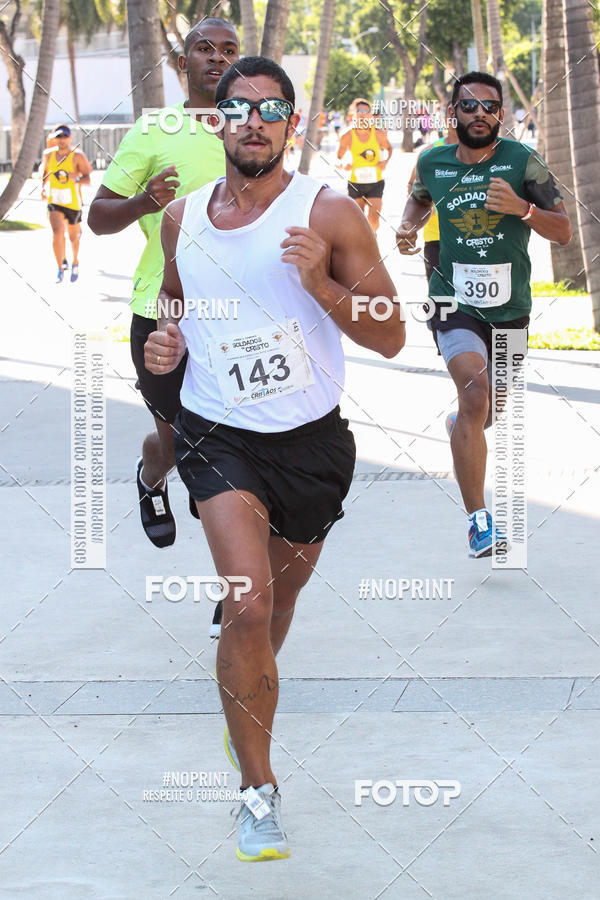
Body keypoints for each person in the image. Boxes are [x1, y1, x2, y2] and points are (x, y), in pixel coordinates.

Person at [144, 56, 405, 861]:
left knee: (279, 603)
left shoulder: (327, 212)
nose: (252, 121)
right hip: (218, 434)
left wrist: (323, 284)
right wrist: (167, 340)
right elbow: (176, 300)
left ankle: (243, 706)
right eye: (238, 108)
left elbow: (391, 332)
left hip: (311, 444)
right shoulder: (181, 217)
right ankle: (257, 793)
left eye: (270, 109)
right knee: (248, 604)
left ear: (293, 123)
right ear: (216, 120)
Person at [396, 71, 571, 557]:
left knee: (488, 411)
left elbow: (564, 232)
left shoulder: (523, 161)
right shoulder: (432, 161)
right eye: (469, 105)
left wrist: (523, 209)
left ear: (501, 114)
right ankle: (479, 521)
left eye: (489, 106)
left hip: (511, 309)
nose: (479, 114)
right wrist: (407, 228)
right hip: (453, 302)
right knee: (475, 392)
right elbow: (418, 200)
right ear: (452, 112)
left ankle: (461, 425)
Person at [406, 109, 457, 283]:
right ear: (445, 118)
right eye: (451, 115)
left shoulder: (481, 153)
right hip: (436, 236)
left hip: (473, 237)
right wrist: (417, 215)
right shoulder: (430, 153)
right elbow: (412, 186)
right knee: (439, 293)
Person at [41, 125, 92, 283]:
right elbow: (45, 173)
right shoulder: (48, 155)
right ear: (54, 139)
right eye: (58, 137)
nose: (61, 140)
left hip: (72, 203)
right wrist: (43, 188)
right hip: (54, 201)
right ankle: (60, 267)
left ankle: (75, 261)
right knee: (57, 232)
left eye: (64, 137)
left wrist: (75, 178)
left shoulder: (77, 156)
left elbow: (88, 179)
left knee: (73, 237)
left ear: (70, 138)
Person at [336, 98, 392, 234]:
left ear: (370, 114)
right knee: (358, 221)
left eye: (366, 111)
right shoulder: (347, 136)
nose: (362, 114)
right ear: (353, 114)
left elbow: (389, 148)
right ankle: (364, 242)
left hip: (375, 183)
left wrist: (385, 162)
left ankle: (372, 239)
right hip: (355, 183)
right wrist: (343, 165)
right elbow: (338, 159)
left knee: (374, 220)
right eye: (359, 111)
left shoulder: (378, 134)